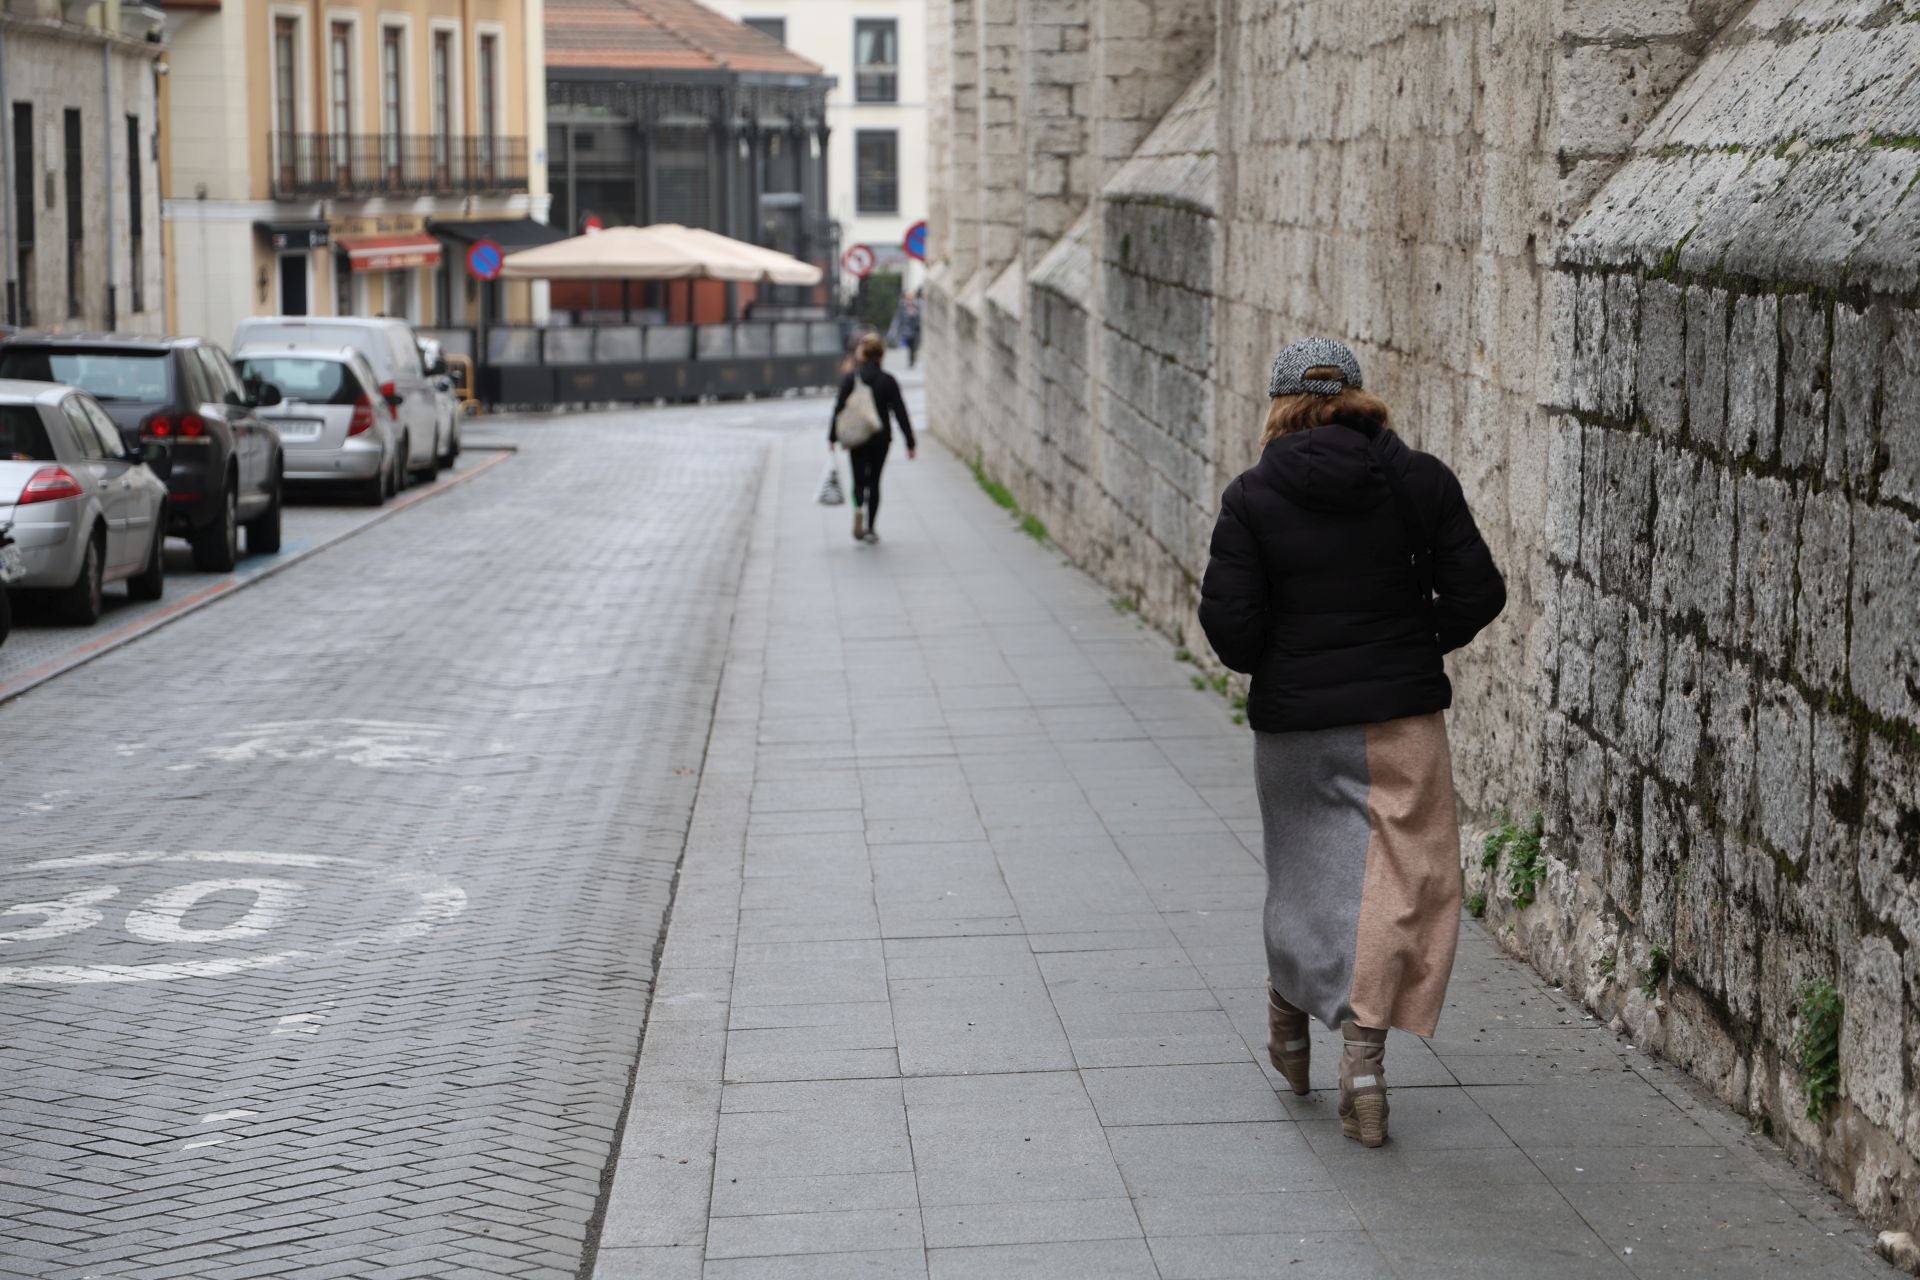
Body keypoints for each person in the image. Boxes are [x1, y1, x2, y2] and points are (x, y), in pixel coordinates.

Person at [1198, 337, 1505, 1148]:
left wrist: (1288, 663)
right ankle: (1363, 1060)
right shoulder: (1419, 481)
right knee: (1406, 882)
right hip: (1399, 719)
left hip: (1294, 726)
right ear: (1362, 398)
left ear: (1279, 405)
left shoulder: (1251, 496)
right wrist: (1411, 642)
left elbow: (1229, 628)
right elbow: (1480, 590)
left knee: (1305, 877)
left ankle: (1287, 1018)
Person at [829, 333, 915, 543]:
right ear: (881, 354)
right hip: (880, 438)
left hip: (857, 438)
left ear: (862, 354)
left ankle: (858, 510)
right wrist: (910, 442)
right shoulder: (888, 381)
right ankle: (871, 527)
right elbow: (900, 412)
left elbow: (839, 408)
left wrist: (832, 437)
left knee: (858, 480)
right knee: (875, 481)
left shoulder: (850, 379)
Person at [893, 292, 923, 369]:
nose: (909, 300)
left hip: (915, 331)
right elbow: (898, 318)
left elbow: (921, 318)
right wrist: (895, 328)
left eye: (910, 298)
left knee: (914, 346)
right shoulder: (903, 307)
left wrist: (915, 314)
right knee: (909, 346)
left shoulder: (917, 306)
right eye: (908, 298)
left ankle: (912, 360)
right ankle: (911, 359)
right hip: (906, 331)